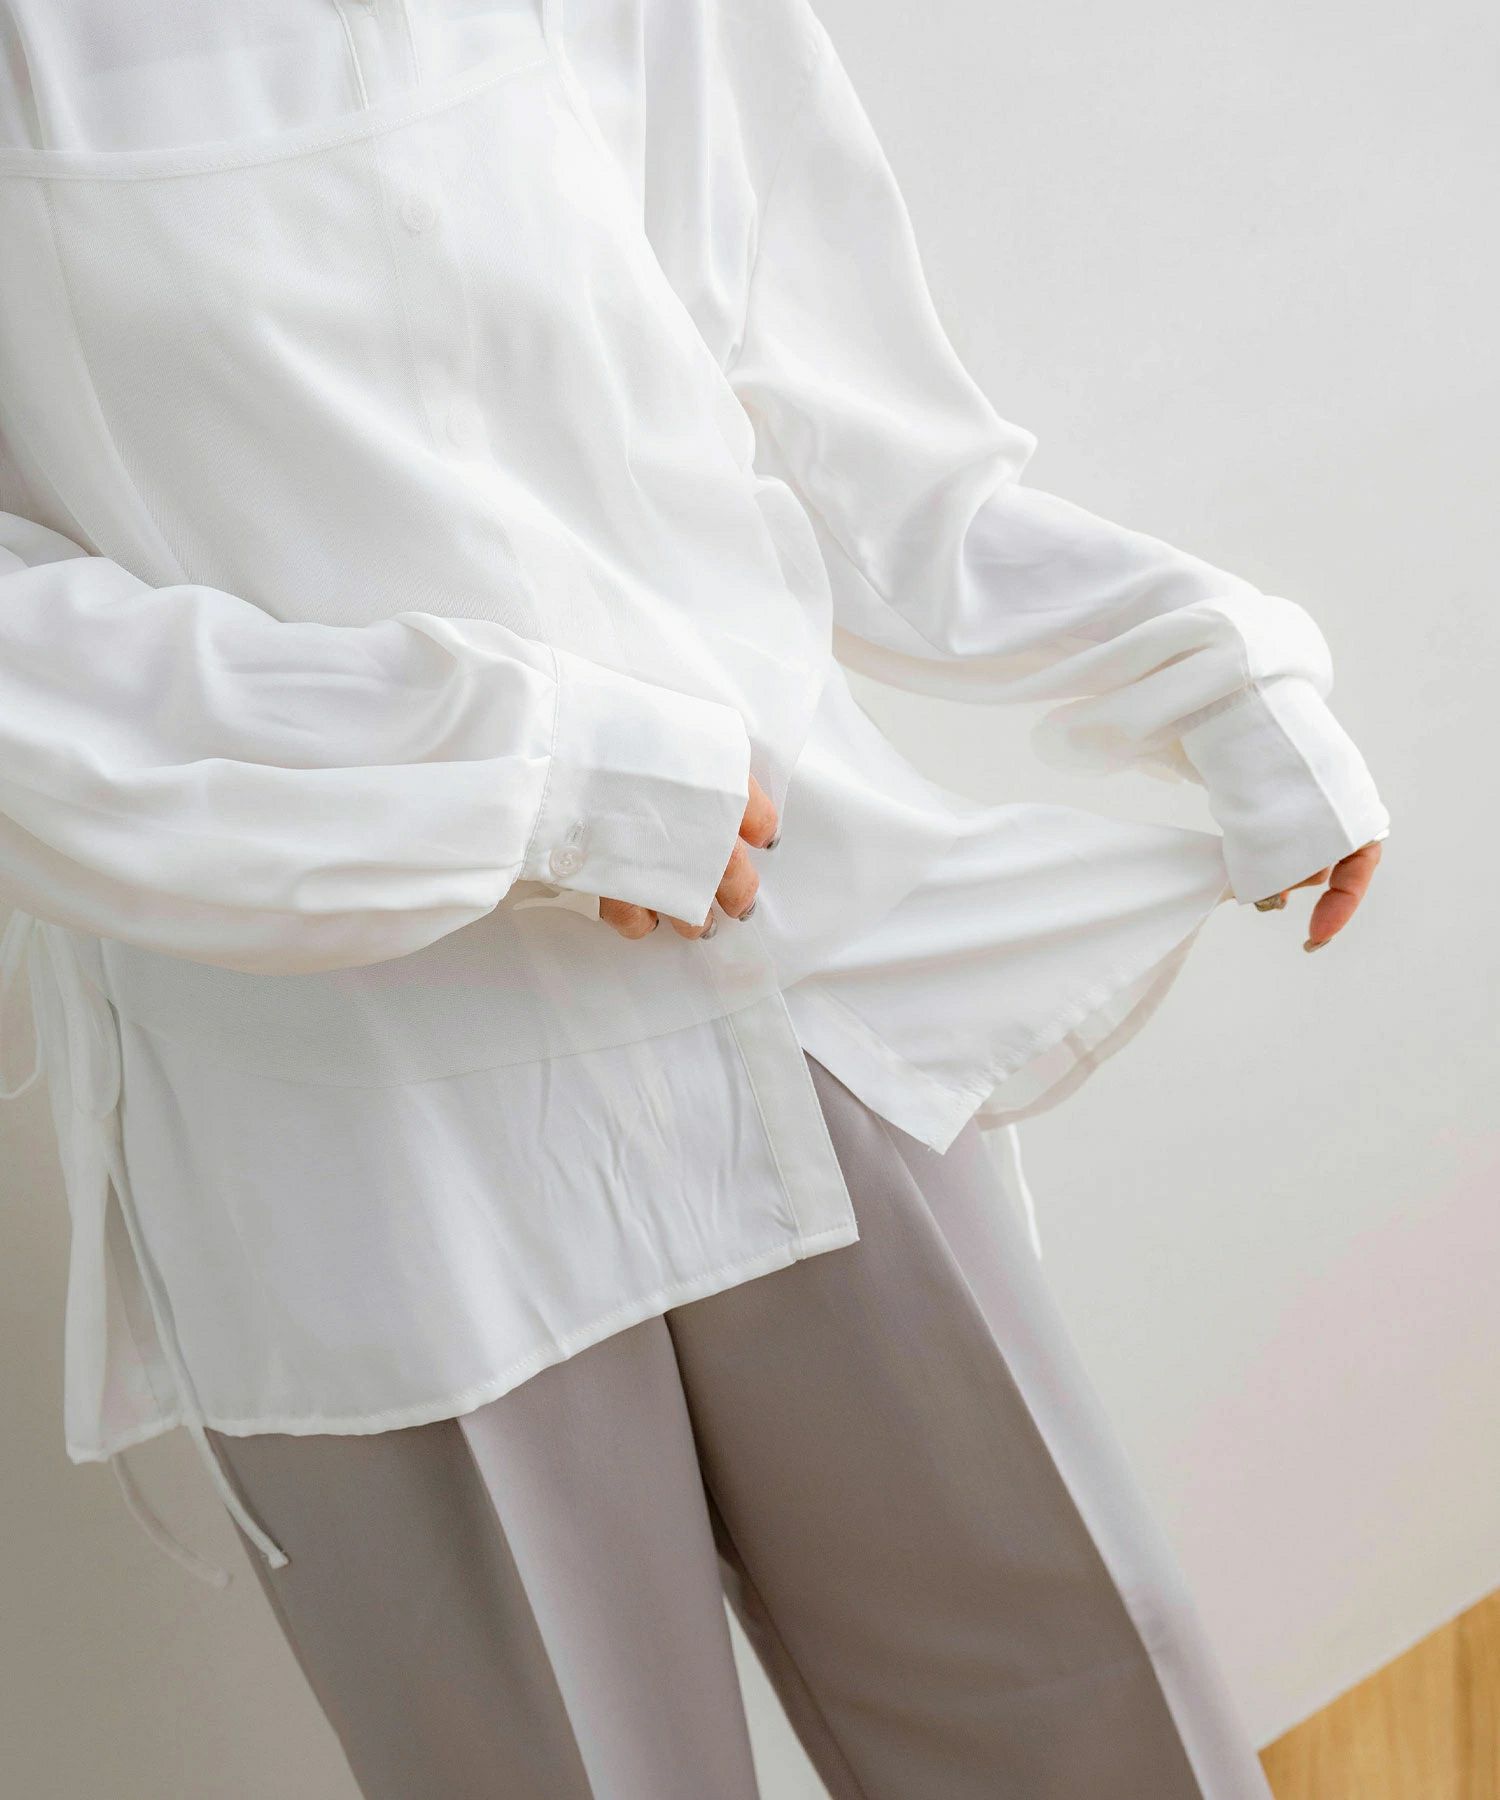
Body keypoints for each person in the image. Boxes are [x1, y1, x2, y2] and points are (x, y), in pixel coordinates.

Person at [0, 1, 1387, 1795]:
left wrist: (1207, 671)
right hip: (355, 1136)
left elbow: (855, 433)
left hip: (790, 995)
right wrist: (538, 774)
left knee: (1085, 1719)